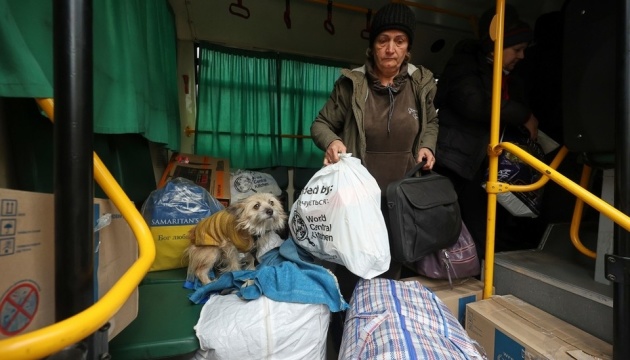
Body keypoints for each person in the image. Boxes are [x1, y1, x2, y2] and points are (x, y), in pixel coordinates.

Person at [310, 3, 439, 300]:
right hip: (358, 197)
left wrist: (426, 145)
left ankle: (379, 321)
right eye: (383, 40)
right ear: (372, 46)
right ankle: (345, 326)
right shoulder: (351, 84)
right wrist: (332, 141)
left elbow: (431, 121)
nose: (390, 49)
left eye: (399, 41)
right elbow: (321, 124)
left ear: (408, 48)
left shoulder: (421, 83)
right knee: (351, 265)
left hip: (401, 195)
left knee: (392, 263)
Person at [432, 5, 544, 257]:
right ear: (497, 46)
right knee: (451, 228)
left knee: (482, 232)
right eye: (516, 49)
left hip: (485, 164)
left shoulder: (508, 77)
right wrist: (524, 115)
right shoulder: (464, 63)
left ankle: (477, 277)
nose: (522, 56)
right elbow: (474, 103)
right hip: (454, 162)